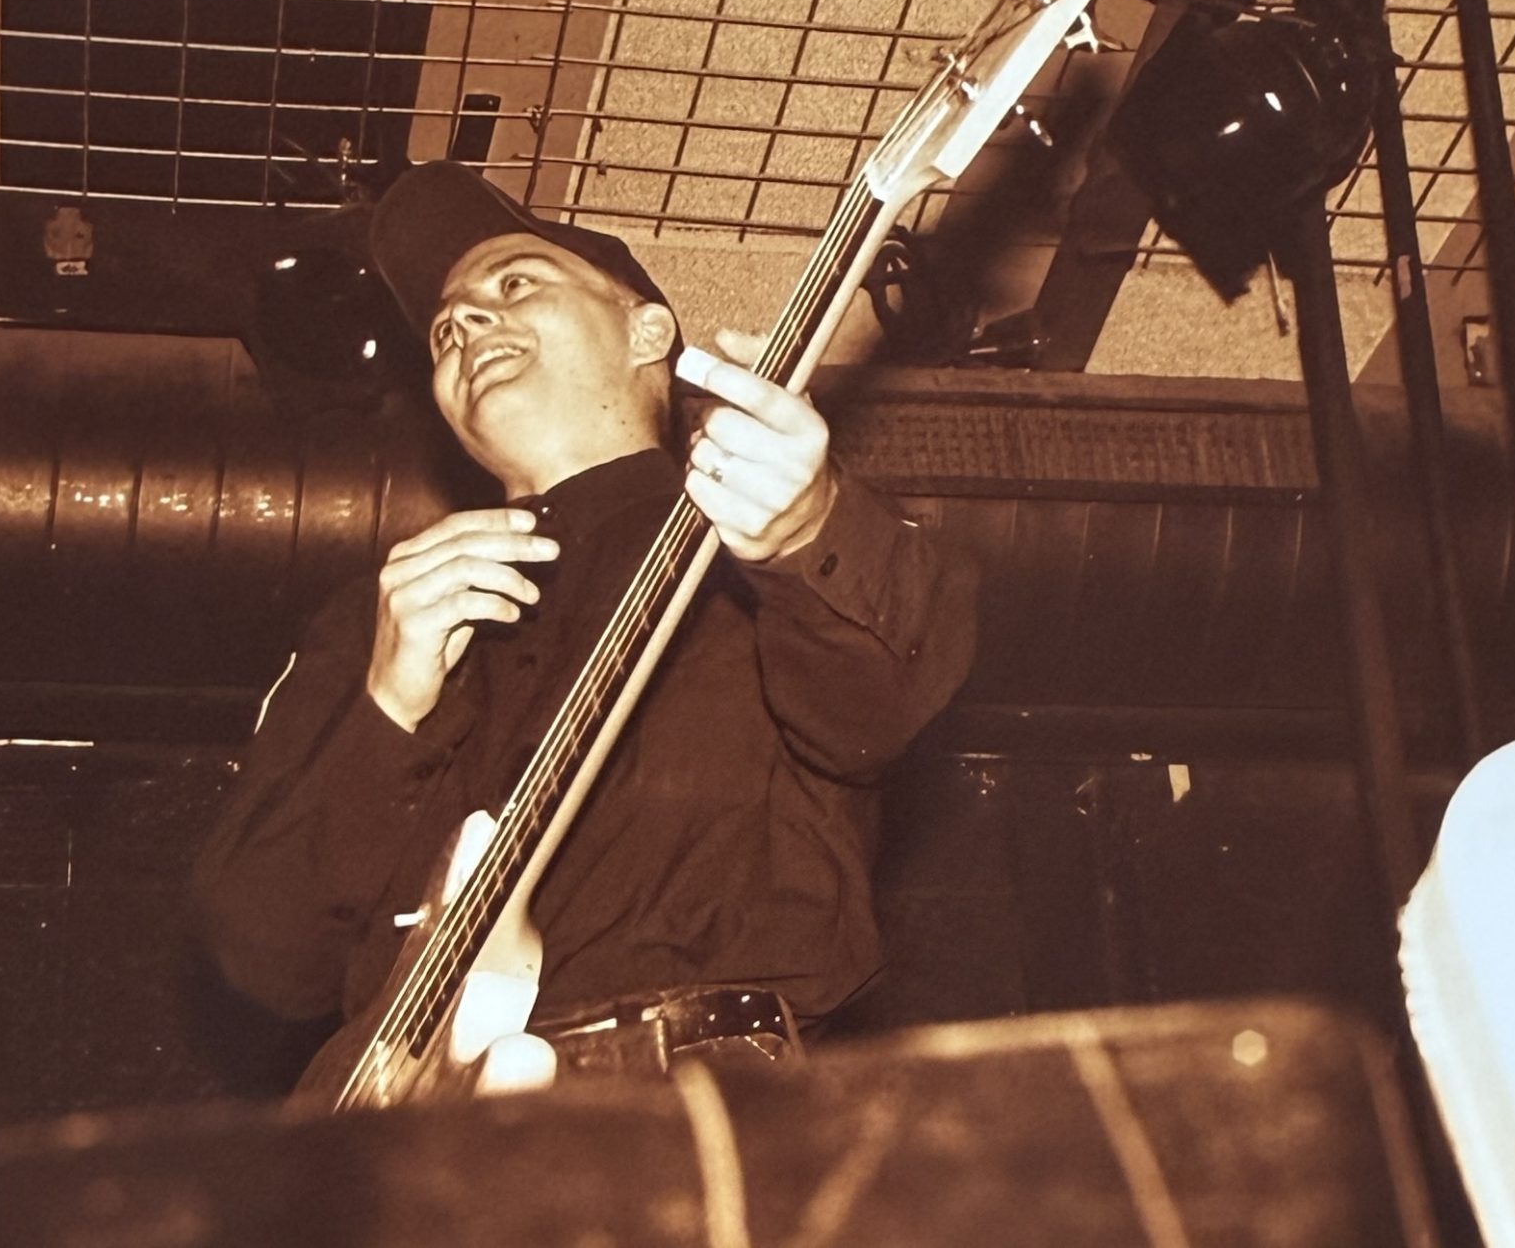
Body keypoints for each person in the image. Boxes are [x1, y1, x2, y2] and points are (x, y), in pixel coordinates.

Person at [191, 161, 977, 1089]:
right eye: (445, 330)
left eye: (514, 283)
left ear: (647, 331)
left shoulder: (761, 539)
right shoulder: (376, 618)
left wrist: (806, 528)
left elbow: (887, 700)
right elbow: (263, 955)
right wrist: (388, 705)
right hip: (389, 1136)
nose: (467, 323)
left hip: (683, 1107)